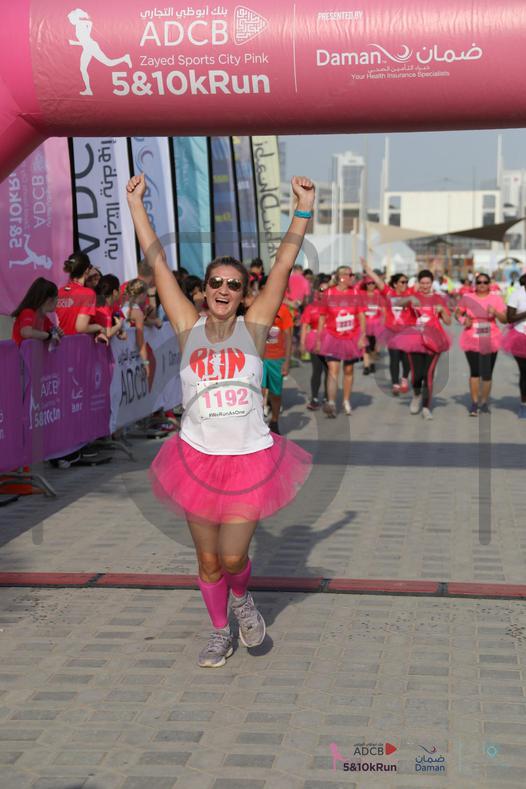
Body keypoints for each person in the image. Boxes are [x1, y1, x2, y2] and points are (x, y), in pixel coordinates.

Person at [126, 172, 313, 668]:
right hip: (195, 458)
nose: (224, 289)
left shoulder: (255, 327)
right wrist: (137, 205)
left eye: (234, 284)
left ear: (244, 294)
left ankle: (243, 599)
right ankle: (218, 631)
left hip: (249, 458)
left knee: (232, 558)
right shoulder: (187, 327)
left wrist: (303, 208)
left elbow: (283, 264)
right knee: (208, 561)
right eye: (216, 283)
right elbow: (158, 263)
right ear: (204, 290)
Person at [395, 270, 452, 420]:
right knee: (416, 375)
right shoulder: (413, 296)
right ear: (418, 283)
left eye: (428, 283)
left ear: (432, 283)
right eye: (422, 283)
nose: (425, 286)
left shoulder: (438, 298)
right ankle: (416, 395)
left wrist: (442, 311)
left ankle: (426, 407)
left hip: (434, 339)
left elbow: (448, 321)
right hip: (414, 339)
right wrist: (409, 298)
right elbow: (396, 303)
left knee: (428, 374)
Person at [316, 265, 366, 417]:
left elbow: (361, 316)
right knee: (333, 370)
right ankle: (331, 402)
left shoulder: (356, 293)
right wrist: (319, 338)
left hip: (351, 337)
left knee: (349, 370)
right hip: (333, 336)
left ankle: (345, 400)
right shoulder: (329, 293)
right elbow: (322, 317)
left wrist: (362, 335)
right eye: (350, 275)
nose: (352, 277)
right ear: (341, 277)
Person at [456, 273, 507, 415]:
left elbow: (504, 319)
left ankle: (484, 402)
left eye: (485, 282)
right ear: (475, 284)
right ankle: (474, 403)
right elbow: (457, 313)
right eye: (479, 282)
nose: (482, 285)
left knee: (487, 373)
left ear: (489, 284)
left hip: (491, 337)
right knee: (475, 371)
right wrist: (463, 320)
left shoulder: (496, 299)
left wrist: (495, 312)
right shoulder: (468, 297)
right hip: (472, 336)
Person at [361, 260, 412, 396]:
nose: (405, 284)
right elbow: (378, 281)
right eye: (402, 282)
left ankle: (404, 379)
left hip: (407, 333)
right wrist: (368, 269)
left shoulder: (409, 294)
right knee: (394, 358)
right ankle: (395, 384)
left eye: (406, 282)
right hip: (393, 333)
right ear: (395, 284)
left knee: (406, 360)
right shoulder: (389, 293)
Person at [260, 276, 293, 435]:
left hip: (276, 359)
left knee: (275, 393)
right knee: (258, 391)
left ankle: (274, 421)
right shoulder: (256, 308)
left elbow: (288, 337)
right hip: (259, 358)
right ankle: (259, 422)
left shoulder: (284, 310)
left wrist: (287, 361)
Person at [56, 252, 107, 341]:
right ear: (87, 270)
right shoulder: (88, 293)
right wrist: (99, 327)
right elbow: (81, 327)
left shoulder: (59, 291)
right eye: (90, 267)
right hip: (77, 344)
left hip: (60, 344)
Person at [300, 274, 329, 410]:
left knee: (330, 371)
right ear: (317, 292)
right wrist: (302, 343)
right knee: (317, 370)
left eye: (327, 290)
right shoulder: (310, 307)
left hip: (331, 341)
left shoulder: (334, 307)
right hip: (315, 340)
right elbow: (305, 326)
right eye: (322, 290)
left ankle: (329, 398)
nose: (324, 293)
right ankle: (315, 398)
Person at [11, 278, 62, 346]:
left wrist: (58, 333)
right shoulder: (27, 312)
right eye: (57, 298)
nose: (57, 301)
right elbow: (26, 333)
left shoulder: (45, 319)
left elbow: (54, 332)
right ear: (49, 300)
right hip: (21, 353)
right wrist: (49, 336)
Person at [502, 272, 526, 418]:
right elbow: (510, 318)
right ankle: (524, 404)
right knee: (525, 372)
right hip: (520, 336)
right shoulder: (517, 295)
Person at [359, 276, 385, 375]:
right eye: (368, 283)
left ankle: (372, 363)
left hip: (376, 325)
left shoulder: (379, 295)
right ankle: (366, 366)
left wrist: (383, 322)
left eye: (373, 283)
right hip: (365, 324)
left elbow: (383, 310)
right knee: (366, 346)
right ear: (365, 285)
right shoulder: (362, 294)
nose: (371, 285)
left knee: (373, 346)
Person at [94, 275, 126, 339]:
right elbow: (108, 333)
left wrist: (119, 331)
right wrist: (118, 326)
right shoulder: (104, 307)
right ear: (115, 292)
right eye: (119, 288)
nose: (121, 291)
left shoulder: (107, 305)